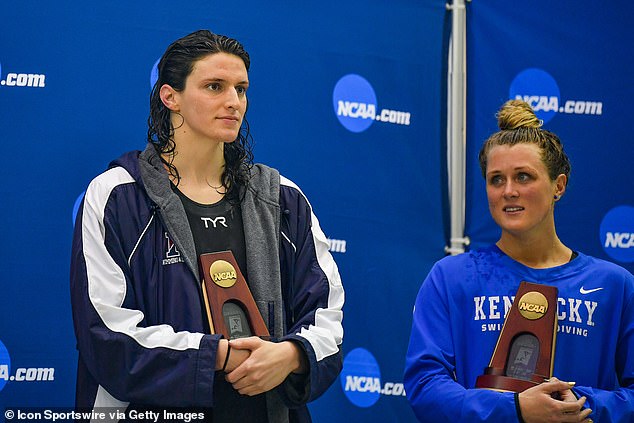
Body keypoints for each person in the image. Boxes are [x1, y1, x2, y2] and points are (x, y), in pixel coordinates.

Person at [70, 30, 344, 423]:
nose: (233, 102)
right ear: (170, 97)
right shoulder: (117, 196)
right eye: (215, 86)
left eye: (241, 89)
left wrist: (291, 355)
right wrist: (217, 355)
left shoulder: (283, 199)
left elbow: (326, 317)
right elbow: (105, 332)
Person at [403, 99, 633, 422]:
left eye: (523, 177)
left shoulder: (613, 285)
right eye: (496, 179)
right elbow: (425, 385)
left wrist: (578, 403)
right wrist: (516, 411)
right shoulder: (451, 278)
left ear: (559, 186)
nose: (508, 190)